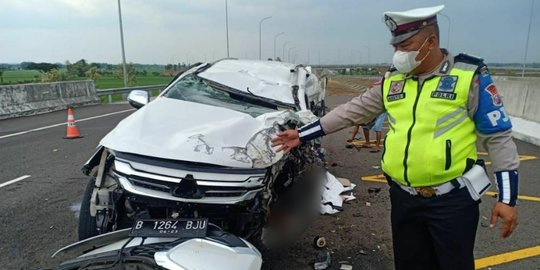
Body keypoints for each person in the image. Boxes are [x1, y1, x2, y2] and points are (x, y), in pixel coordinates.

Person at [271, 5, 519, 270]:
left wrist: (507, 198)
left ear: (431, 42)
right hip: (404, 199)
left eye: (406, 46)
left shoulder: (468, 76)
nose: (399, 54)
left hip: (452, 202)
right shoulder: (393, 80)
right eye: (396, 47)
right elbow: (351, 111)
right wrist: (302, 134)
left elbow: (498, 136)